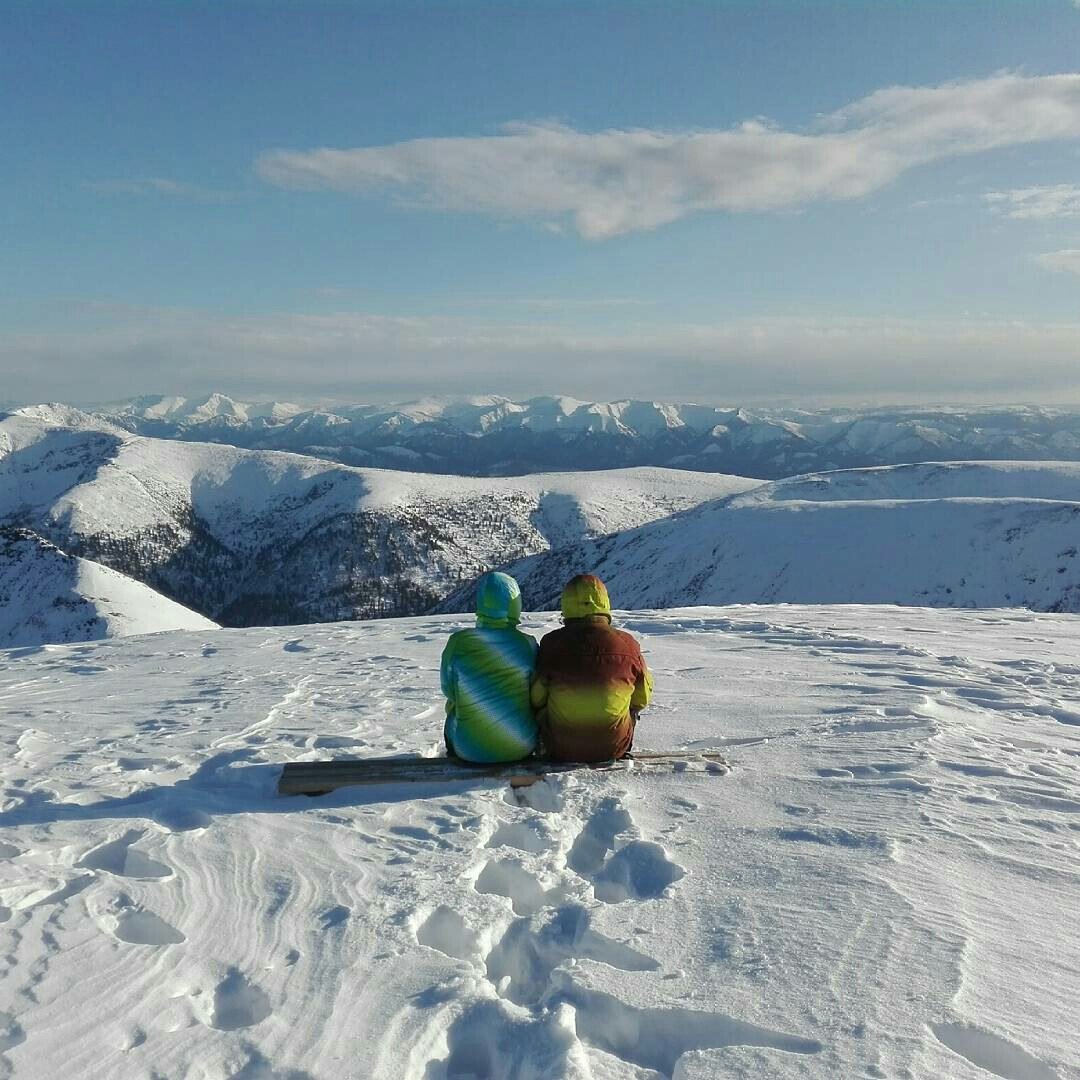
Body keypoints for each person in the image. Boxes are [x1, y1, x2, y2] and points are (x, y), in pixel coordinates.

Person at [530, 574, 653, 762]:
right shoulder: (628, 645)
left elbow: (536, 698)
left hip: (560, 748)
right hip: (614, 748)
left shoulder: (552, 643)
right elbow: (642, 698)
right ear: (604, 603)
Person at [440, 571, 539, 763]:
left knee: (454, 712)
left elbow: (449, 690)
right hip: (522, 746)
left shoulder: (458, 643)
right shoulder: (528, 645)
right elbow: (535, 693)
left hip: (468, 751)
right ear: (515, 605)